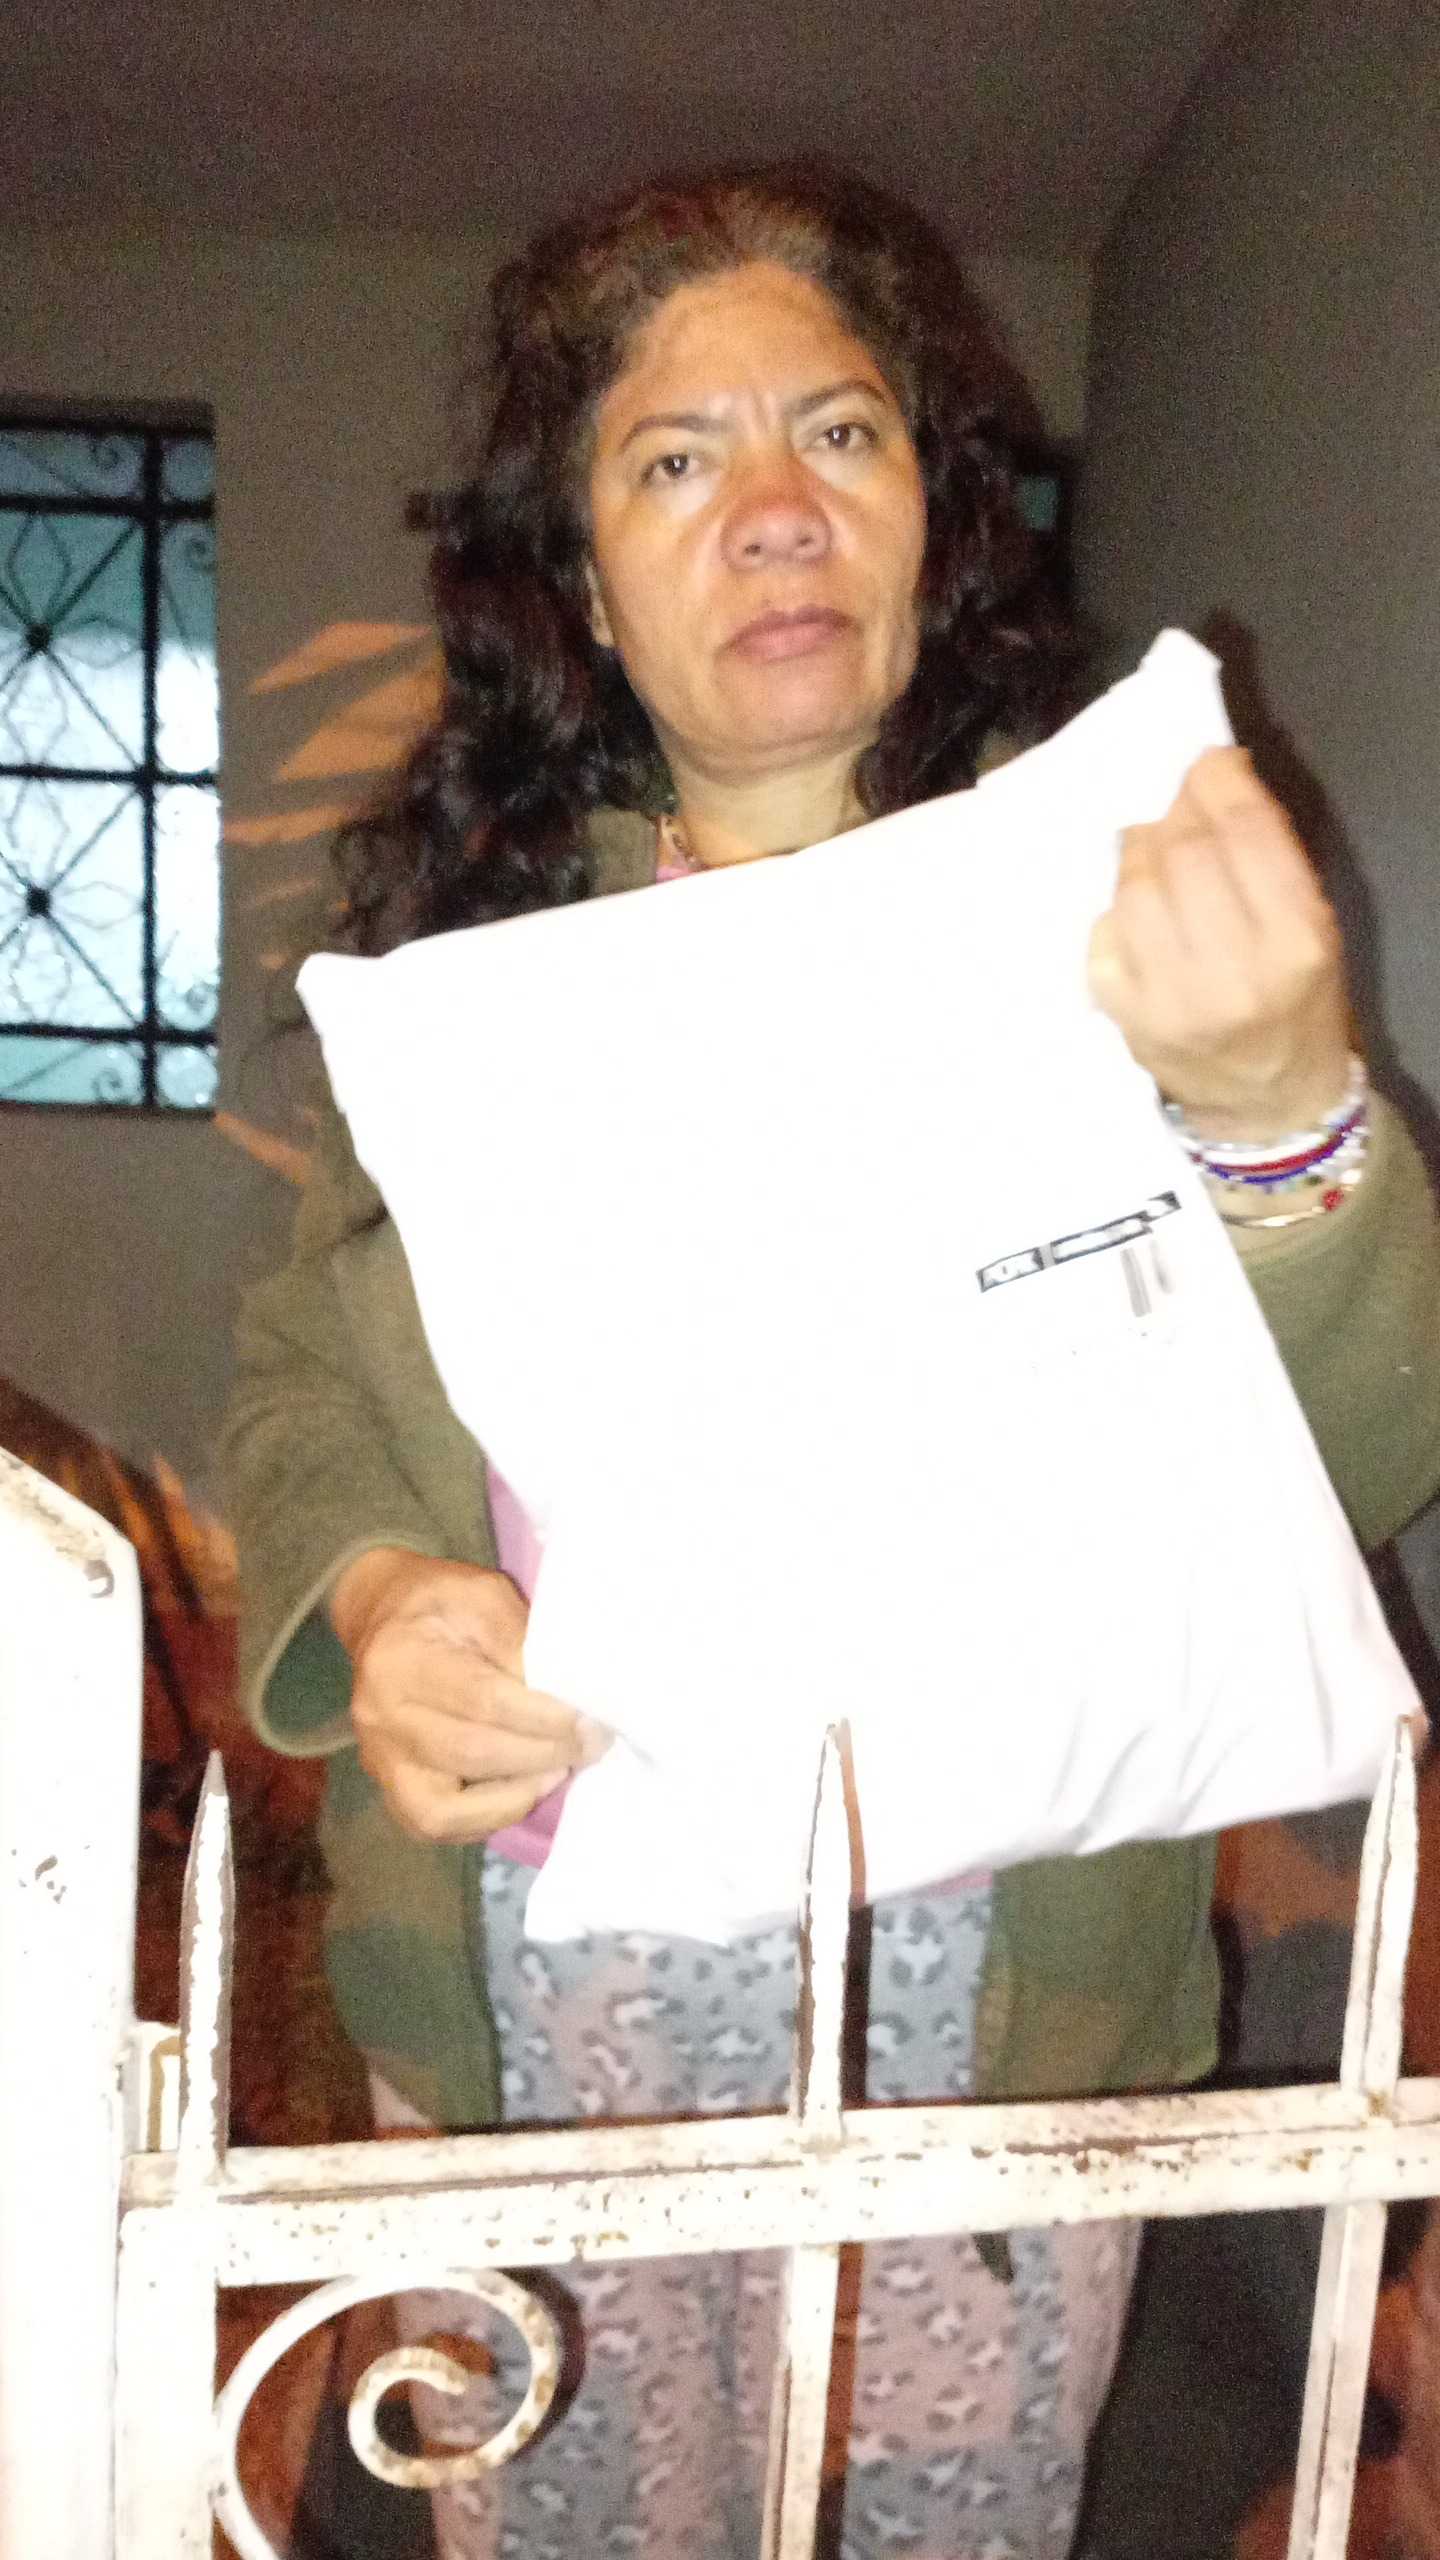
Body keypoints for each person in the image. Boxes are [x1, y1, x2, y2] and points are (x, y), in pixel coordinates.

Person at [225, 162, 1440, 2560]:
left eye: (843, 432)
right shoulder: (470, 994)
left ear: (930, 520)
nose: (774, 509)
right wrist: (377, 1590)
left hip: (981, 1977)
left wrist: (1277, 1111)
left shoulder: (1110, 916)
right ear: (588, 583)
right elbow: (301, 1377)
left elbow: (1354, 1463)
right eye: (675, 457)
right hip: (540, 1963)